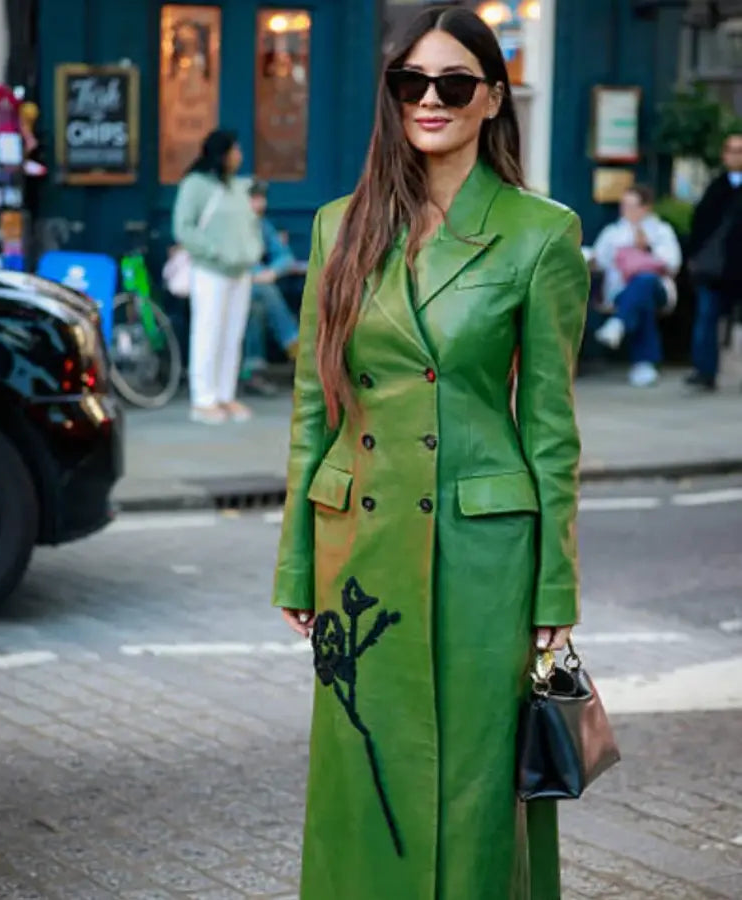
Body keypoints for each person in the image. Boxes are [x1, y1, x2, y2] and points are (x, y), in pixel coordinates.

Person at [272, 6, 589, 899]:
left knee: (472, 785)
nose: (430, 100)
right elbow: (313, 407)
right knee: (362, 778)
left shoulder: (539, 232)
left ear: (492, 97)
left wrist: (555, 587)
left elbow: (550, 428)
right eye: (411, 82)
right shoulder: (339, 226)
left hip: (481, 557)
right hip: (360, 551)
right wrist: (295, 559)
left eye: (453, 83)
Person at [172, 129, 263, 424]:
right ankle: (203, 399)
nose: (239, 155)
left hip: (240, 272)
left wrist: (253, 251)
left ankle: (226, 395)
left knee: (232, 335)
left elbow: (250, 224)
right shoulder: (195, 185)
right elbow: (183, 227)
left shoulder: (238, 186)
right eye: (234, 150)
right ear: (222, 154)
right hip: (210, 271)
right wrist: (213, 252)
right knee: (207, 333)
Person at [591, 184, 682, 387]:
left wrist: (646, 249)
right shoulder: (613, 232)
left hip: (658, 290)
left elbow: (673, 263)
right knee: (642, 302)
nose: (627, 211)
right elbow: (599, 261)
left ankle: (618, 323)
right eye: (624, 205)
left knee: (645, 280)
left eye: (632, 206)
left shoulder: (661, 231)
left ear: (645, 207)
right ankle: (644, 364)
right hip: (620, 292)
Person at [685, 130, 742, 391]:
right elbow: (700, 226)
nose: (735, 156)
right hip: (714, 268)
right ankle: (704, 370)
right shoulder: (715, 187)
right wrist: (694, 257)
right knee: (706, 316)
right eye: (731, 150)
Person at [239, 180, 300, 396]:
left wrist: (271, 272)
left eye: (262, 198)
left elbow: (285, 256)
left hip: (252, 290)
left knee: (257, 307)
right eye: (254, 198)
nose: (260, 203)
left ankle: (252, 373)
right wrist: (254, 275)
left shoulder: (261, 225)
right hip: (229, 288)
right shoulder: (230, 225)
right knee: (267, 292)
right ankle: (296, 347)